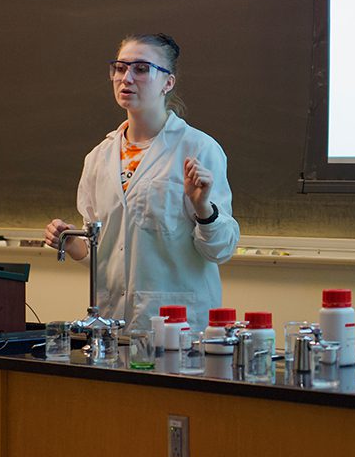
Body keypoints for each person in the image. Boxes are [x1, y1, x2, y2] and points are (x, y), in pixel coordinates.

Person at [44, 33, 240, 332]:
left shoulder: (198, 149)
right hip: (113, 324)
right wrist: (73, 245)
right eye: (120, 68)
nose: (127, 78)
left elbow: (220, 251)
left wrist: (203, 207)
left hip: (178, 326)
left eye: (142, 69)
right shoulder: (99, 158)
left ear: (168, 83)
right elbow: (108, 257)